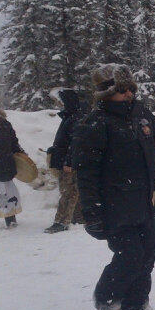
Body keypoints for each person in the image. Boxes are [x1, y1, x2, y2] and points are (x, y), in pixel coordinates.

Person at [71, 64, 155, 310]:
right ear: (106, 93)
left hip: (146, 202)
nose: (128, 94)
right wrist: (91, 211)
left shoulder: (143, 116)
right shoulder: (95, 123)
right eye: (122, 90)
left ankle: (137, 303)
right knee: (130, 256)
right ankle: (107, 298)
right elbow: (87, 173)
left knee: (147, 256)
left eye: (130, 89)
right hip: (115, 205)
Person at [45, 89, 86, 233]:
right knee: (74, 190)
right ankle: (79, 217)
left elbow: (75, 142)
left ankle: (61, 221)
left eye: (63, 101)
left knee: (68, 192)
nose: (60, 104)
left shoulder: (75, 118)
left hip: (68, 163)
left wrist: (69, 161)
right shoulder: (71, 117)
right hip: (66, 160)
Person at [0, 98, 24, 229]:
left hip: (4, 164)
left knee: (7, 192)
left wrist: (21, 154)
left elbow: (13, 142)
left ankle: (10, 218)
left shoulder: (4, 124)